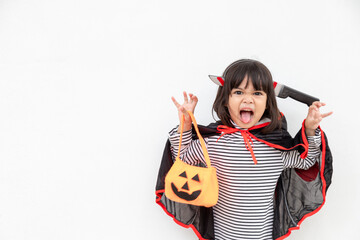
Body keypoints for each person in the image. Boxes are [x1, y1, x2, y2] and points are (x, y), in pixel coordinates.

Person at [155, 59, 333, 240]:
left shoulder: (275, 147)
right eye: (239, 92)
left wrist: (310, 129)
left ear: (267, 103)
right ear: (225, 100)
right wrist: (185, 124)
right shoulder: (214, 143)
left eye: (257, 93)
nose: (247, 99)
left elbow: (307, 161)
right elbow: (182, 158)